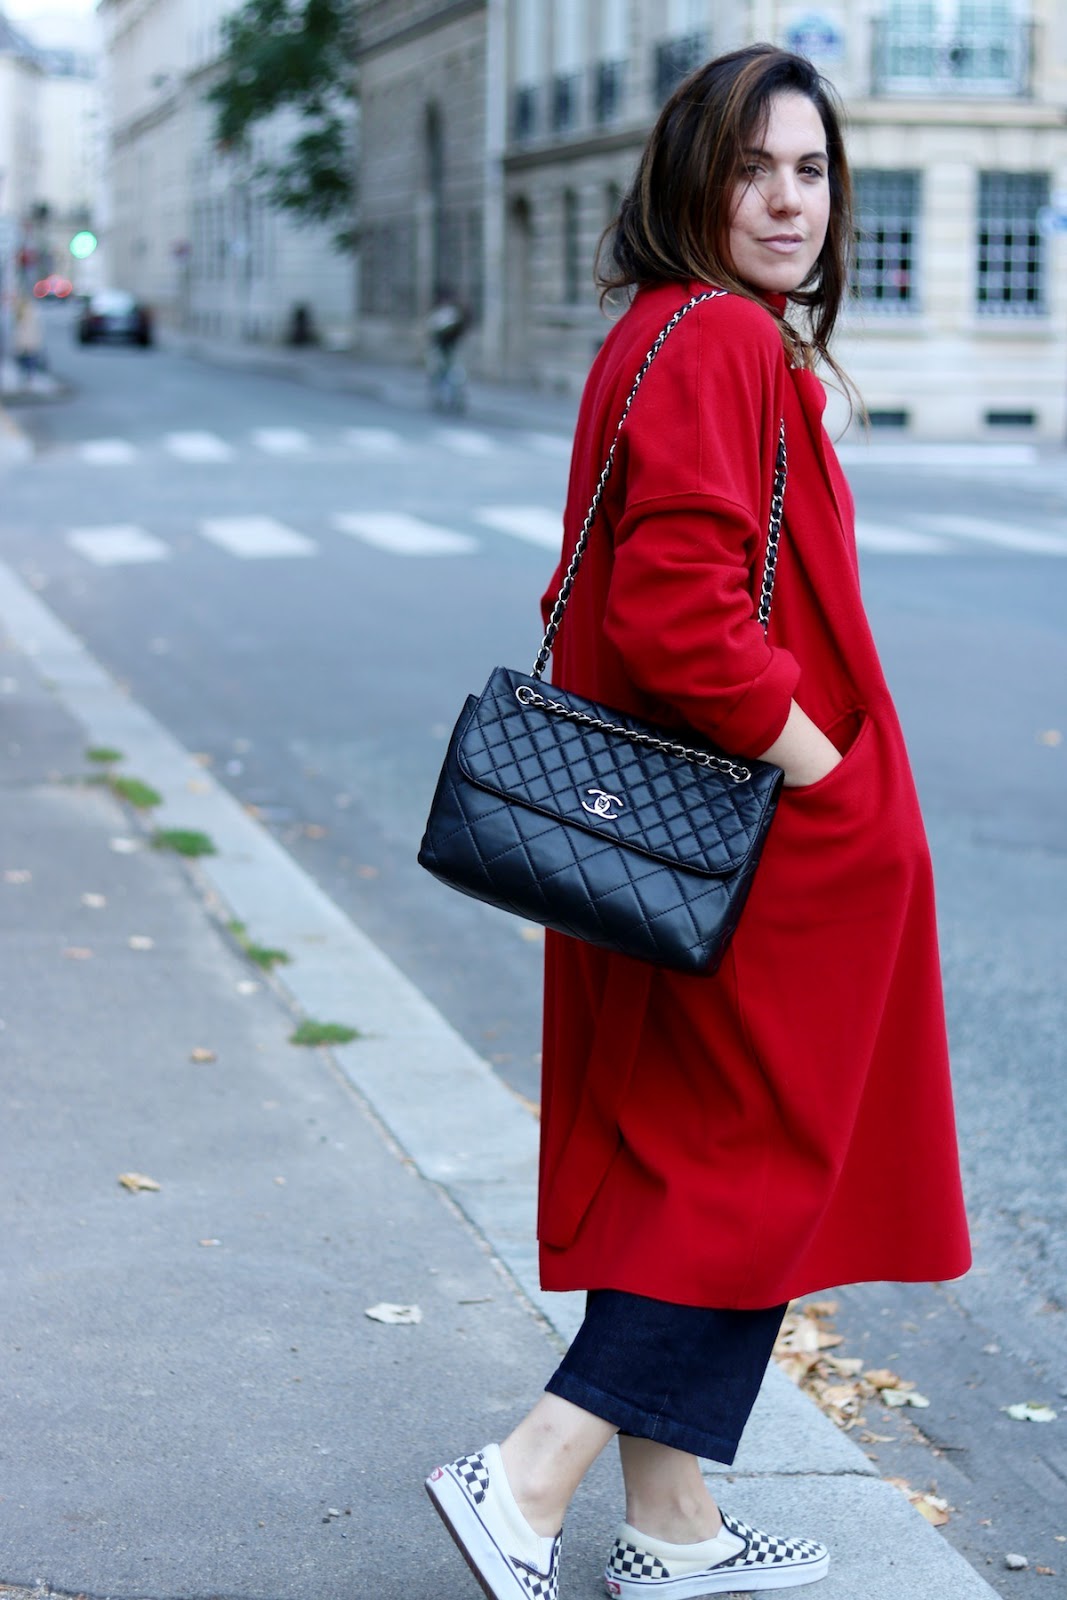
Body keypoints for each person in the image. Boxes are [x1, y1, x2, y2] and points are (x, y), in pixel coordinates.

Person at [425, 43, 971, 1600]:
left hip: (653, 835)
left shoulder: (659, 332)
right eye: (755, 168)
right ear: (694, 180)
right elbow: (678, 617)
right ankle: (526, 1479)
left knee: (686, 1159)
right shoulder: (726, 339)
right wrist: (829, 773)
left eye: (811, 170)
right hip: (739, 844)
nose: (789, 200)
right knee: (745, 1175)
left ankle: (671, 1533)